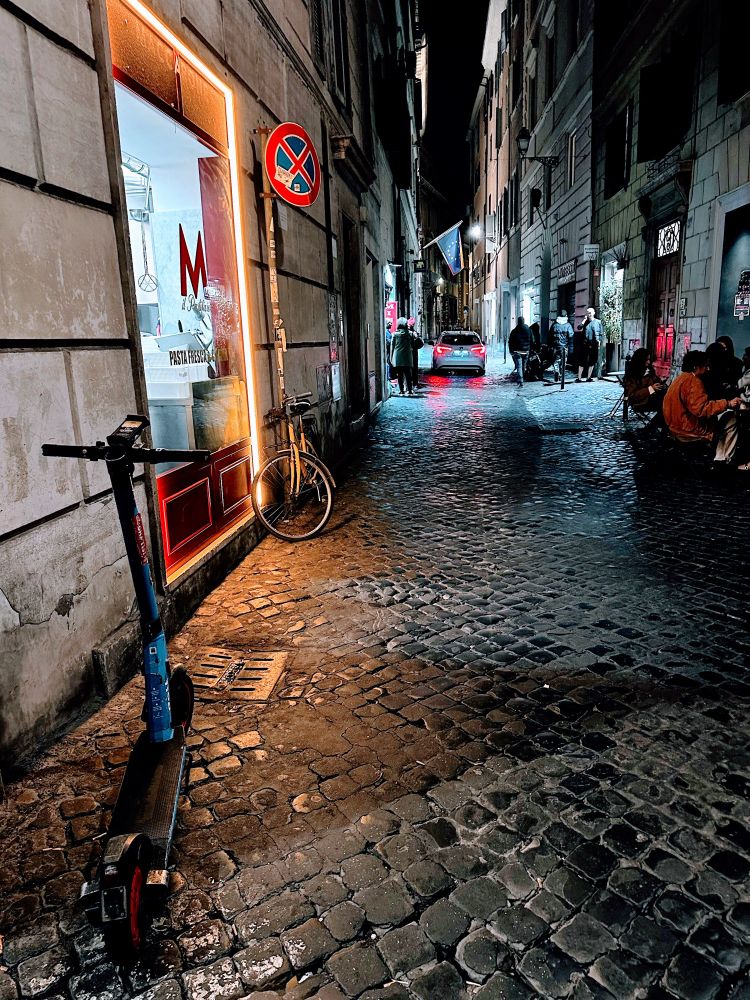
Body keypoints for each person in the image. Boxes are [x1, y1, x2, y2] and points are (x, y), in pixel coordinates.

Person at [662, 350, 743, 466]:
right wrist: (728, 403)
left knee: (722, 420)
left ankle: (720, 458)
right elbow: (702, 409)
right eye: (706, 366)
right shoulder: (693, 381)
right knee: (731, 420)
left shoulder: (680, 378)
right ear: (696, 367)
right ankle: (724, 460)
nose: (708, 369)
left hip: (675, 427)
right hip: (688, 430)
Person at [624, 347, 666, 422]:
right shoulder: (632, 375)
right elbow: (632, 396)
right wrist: (650, 389)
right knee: (664, 405)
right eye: (646, 360)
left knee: (668, 401)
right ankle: (651, 428)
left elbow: (657, 382)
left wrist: (661, 383)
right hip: (640, 403)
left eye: (649, 359)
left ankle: (654, 428)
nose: (648, 362)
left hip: (652, 398)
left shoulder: (649, 371)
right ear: (640, 360)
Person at [390, 316, 415, 396]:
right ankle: (410, 390)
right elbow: (414, 344)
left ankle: (401, 390)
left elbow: (392, 347)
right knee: (408, 374)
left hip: (398, 356)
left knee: (400, 374)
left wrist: (391, 358)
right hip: (407, 356)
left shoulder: (395, 334)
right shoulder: (410, 334)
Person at [576, 307, 603, 382]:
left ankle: (589, 377)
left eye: (590, 312)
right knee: (582, 360)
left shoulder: (598, 322)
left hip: (594, 344)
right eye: (587, 313)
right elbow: (579, 327)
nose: (589, 314)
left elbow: (601, 333)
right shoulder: (585, 322)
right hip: (585, 344)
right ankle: (579, 378)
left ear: (594, 313)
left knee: (592, 360)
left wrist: (599, 341)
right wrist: (584, 320)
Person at [550, 310, 574, 382]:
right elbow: (571, 335)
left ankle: (557, 371)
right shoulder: (568, 325)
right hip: (564, 347)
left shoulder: (554, 325)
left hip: (555, 346)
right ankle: (561, 373)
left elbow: (550, 335)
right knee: (563, 361)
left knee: (555, 360)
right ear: (566, 316)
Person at [508, 316, 531, 386]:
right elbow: (532, 339)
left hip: (517, 351)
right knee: (524, 366)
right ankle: (522, 378)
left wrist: (511, 351)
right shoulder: (528, 330)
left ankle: (520, 380)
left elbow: (510, 342)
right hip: (526, 351)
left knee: (519, 366)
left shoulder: (514, 331)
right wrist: (530, 348)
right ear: (524, 321)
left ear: (518, 322)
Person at [407, 316, 424, 389]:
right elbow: (419, 343)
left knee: (409, 369)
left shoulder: (410, 332)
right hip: (412, 353)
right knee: (412, 369)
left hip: (409, 353)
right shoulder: (412, 333)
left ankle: (410, 384)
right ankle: (413, 384)